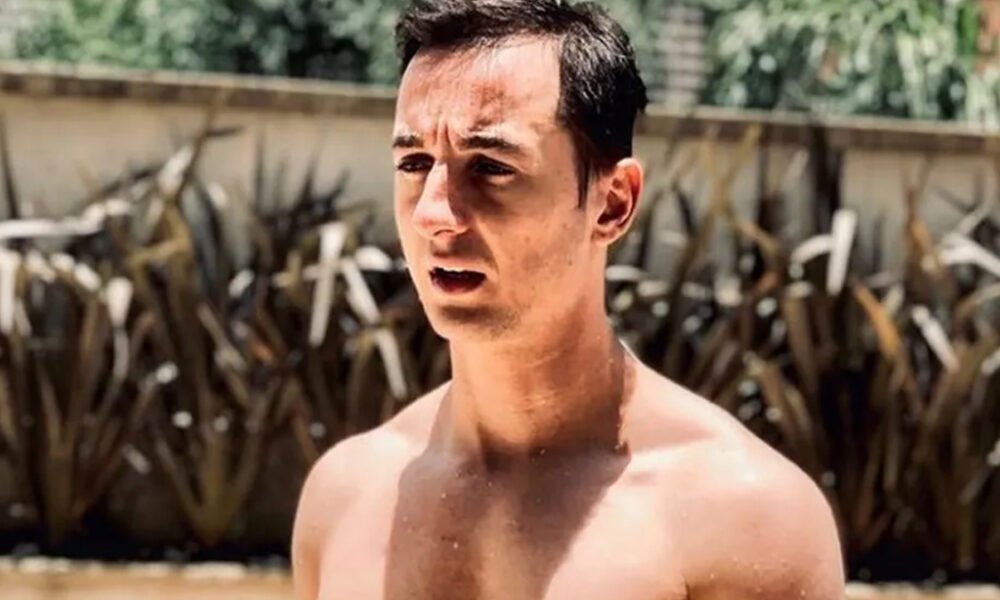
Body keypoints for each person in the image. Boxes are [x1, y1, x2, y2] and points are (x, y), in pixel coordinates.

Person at [292, 0, 845, 598]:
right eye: (414, 162)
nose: (433, 214)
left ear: (613, 204)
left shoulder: (745, 521)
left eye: (491, 166)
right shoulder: (345, 499)